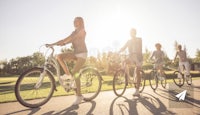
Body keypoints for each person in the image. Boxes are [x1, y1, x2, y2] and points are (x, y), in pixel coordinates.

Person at [46, 17, 87, 105]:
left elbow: (68, 39)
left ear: (81, 23)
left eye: (77, 21)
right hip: (76, 53)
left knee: (75, 72)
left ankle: (79, 96)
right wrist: (51, 44)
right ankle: (68, 75)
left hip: (82, 54)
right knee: (59, 56)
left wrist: (64, 42)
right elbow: (66, 40)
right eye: (74, 21)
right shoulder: (73, 32)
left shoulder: (82, 31)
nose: (75, 23)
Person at [118, 28, 143, 96]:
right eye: (130, 33)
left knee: (138, 71)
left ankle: (137, 90)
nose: (131, 34)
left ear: (135, 33)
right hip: (131, 57)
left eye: (133, 32)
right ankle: (127, 78)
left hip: (138, 57)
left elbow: (140, 48)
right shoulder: (129, 41)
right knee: (124, 62)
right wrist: (118, 51)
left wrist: (134, 51)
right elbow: (124, 47)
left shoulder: (139, 39)